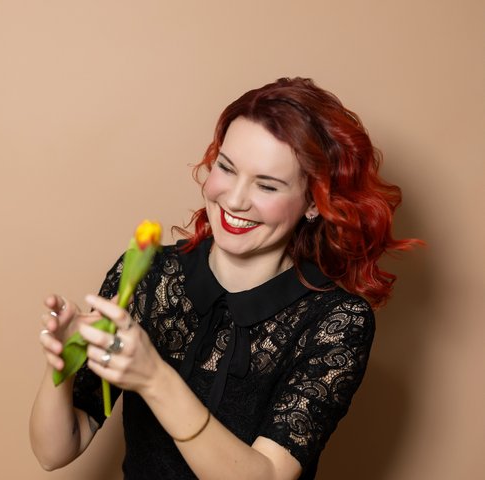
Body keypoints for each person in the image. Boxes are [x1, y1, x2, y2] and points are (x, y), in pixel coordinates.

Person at [30, 77, 419, 479]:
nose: (234, 200)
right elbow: (55, 451)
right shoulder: (149, 276)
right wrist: (61, 363)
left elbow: (267, 475)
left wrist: (154, 378)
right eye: (226, 168)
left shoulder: (336, 321)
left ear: (313, 203)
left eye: (267, 185)